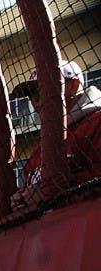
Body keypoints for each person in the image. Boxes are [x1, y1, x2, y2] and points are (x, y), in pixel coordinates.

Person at [10, 59, 101, 209]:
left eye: (43, 88)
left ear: (73, 85)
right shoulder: (37, 153)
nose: (35, 101)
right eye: (32, 95)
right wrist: (21, 199)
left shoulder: (96, 122)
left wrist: (52, 192)